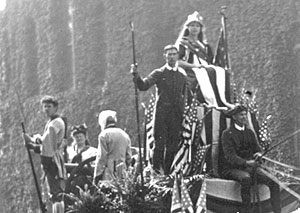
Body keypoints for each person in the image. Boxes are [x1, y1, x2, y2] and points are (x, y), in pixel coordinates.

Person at [130, 44, 188, 174]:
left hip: (176, 114)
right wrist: (136, 75)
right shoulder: (159, 73)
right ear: (165, 56)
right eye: (169, 54)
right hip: (162, 113)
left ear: (178, 56)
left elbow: (186, 95)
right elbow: (143, 86)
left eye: (174, 54)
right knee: (159, 144)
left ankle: (168, 173)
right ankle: (156, 172)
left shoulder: (182, 75)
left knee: (173, 145)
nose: (172, 57)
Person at [220, 105, 281, 213]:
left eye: (245, 114)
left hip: (250, 167)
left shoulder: (249, 132)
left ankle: (277, 211)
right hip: (232, 168)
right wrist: (246, 162)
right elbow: (230, 156)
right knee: (246, 179)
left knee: (274, 181)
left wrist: (258, 154)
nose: (244, 117)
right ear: (234, 117)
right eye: (241, 115)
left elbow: (257, 149)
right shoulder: (227, 134)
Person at [23, 95, 67, 213]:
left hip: (52, 159)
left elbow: (48, 146)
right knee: (53, 191)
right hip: (51, 158)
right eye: (44, 107)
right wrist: (31, 139)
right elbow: (44, 140)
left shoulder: (55, 124)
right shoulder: (51, 122)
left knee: (56, 193)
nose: (46, 109)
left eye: (49, 106)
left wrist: (32, 146)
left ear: (56, 108)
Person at [93, 110, 132, 182]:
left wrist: (97, 175)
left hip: (109, 172)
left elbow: (102, 157)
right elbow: (129, 157)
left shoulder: (104, 135)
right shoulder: (124, 134)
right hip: (123, 171)